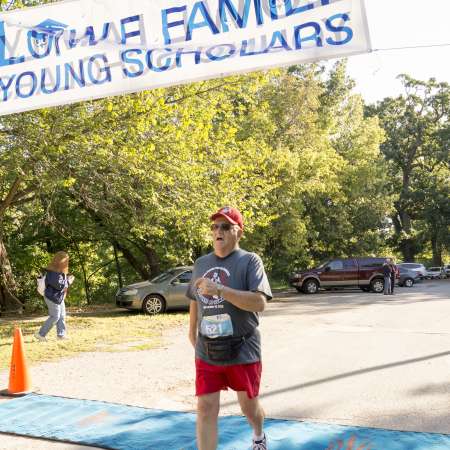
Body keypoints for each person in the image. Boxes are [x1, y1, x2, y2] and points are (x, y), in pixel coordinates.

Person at [187, 207, 272, 450]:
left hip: (242, 347)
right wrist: (191, 331)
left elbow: (260, 302)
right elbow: (194, 298)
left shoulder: (250, 261)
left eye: (225, 226)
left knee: (249, 407)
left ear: (238, 232)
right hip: (208, 347)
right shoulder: (201, 263)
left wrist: (221, 290)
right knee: (205, 408)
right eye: (215, 226)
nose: (218, 231)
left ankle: (258, 435)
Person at [35, 251, 74, 341]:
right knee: (55, 316)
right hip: (51, 297)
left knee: (62, 315)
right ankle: (40, 334)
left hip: (58, 297)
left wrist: (66, 280)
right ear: (60, 261)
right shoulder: (53, 272)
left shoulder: (59, 271)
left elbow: (61, 284)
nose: (66, 263)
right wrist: (69, 281)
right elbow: (59, 285)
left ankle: (61, 335)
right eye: (65, 261)